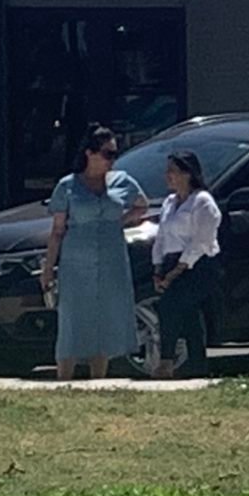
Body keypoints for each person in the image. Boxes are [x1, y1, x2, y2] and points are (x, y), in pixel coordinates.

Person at [39, 125, 153, 380]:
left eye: (114, 154)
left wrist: (119, 222)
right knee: (73, 318)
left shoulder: (123, 181)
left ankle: (98, 379)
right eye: (107, 154)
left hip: (112, 258)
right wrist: (49, 268)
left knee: (105, 316)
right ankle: (64, 379)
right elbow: (57, 230)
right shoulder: (68, 186)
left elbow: (141, 205)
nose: (112, 160)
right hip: (76, 260)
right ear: (90, 153)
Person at [150, 149, 224, 379]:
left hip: (197, 264)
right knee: (189, 315)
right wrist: (158, 267)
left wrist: (176, 272)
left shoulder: (202, 201)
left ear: (188, 174)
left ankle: (166, 361)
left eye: (173, 171)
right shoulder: (170, 202)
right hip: (172, 262)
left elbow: (201, 240)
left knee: (169, 306)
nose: (168, 176)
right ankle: (197, 364)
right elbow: (161, 236)